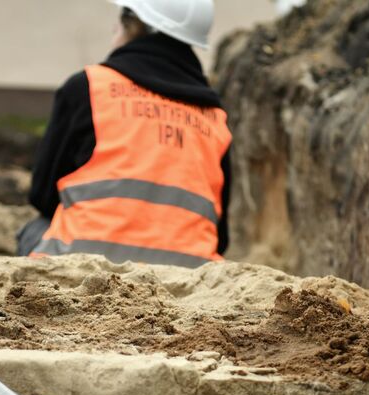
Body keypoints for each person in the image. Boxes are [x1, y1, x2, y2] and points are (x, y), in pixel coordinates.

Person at [18, 0, 232, 268]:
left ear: (134, 25)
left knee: (34, 229)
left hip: (81, 268)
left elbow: (42, 195)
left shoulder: (90, 87)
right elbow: (219, 235)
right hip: (190, 277)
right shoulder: (215, 117)